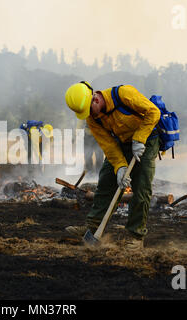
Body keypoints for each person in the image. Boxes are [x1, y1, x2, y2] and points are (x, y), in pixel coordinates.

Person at [64, 82, 161, 250]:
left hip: (147, 140)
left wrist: (140, 137)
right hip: (121, 143)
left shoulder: (123, 94)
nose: (89, 116)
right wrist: (120, 167)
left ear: (95, 99)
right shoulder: (92, 118)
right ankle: (92, 228)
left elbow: (153, 112)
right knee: (106, 181)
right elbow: (108, 145)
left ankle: (136, 235)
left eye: (89, 110)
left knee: (141, 187)